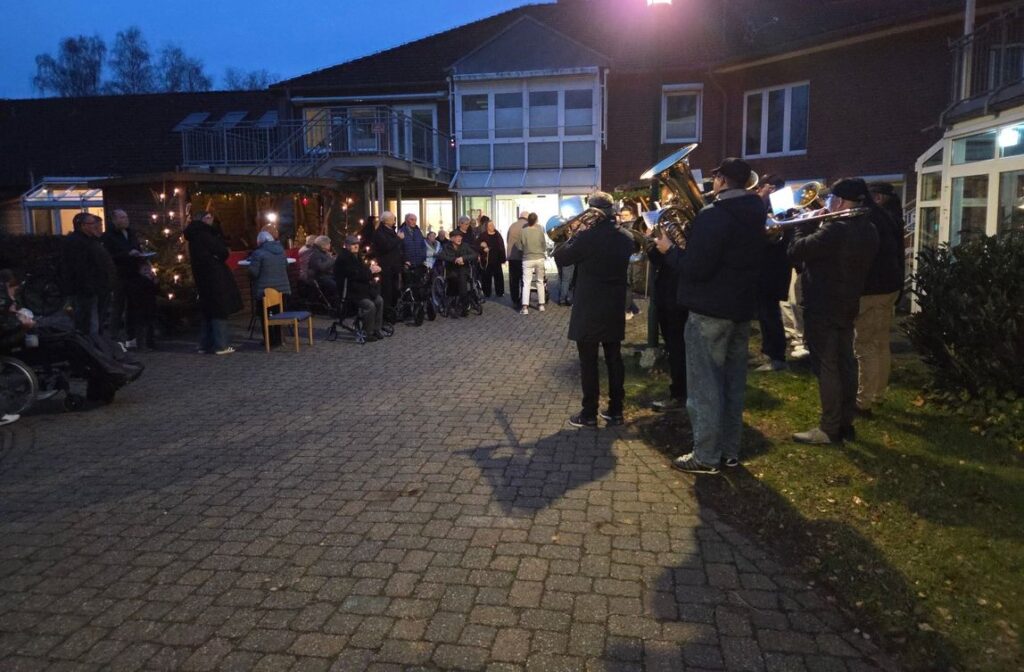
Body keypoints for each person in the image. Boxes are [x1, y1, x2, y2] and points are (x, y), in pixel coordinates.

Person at [656, 158, 767, 474]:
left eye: (715, 177)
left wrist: (669, 250)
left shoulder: (714, 215)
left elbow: (695, 268)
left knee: (705, 386)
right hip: (740, 309)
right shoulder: (756, 210)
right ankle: (729, 451)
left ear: (721, 180)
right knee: (732, 384)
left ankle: (705, 456)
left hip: (709, 310)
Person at [788, 178, 879, 445]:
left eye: (829, 199)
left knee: (826, 365)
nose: (826, 203)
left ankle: (829, 428)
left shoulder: (835, 229)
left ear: (839, 201)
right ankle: (845, 423)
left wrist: (803, 224)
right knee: (845, 363)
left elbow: (796, 251)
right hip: (847, 302)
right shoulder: (869, 228)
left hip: (823, 303)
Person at [554, 191, 634, 428]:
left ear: (593, 211)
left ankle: (589, 413)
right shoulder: (626, 237)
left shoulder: (587, 237)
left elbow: (561, 258)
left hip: (589, 306)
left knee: (588, 362)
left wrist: (573, 235)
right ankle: (616, 410)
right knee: (614, 359)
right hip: (614, 305)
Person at [854, 182, 906, 416]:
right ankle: (878, 393)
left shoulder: (871, 218)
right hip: (890, 286)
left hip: (873, 289)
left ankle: (863, 401)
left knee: (865, 344)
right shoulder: (892, 216)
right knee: (881, 342)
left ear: (878, 197)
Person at [185, 212, 243, 355]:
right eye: (209, 217)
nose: (211, 220)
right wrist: (219, 254)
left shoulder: (193, 235)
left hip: (202, 276)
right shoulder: (205, 234)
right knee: (218, 308)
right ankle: (221, 345)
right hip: (214, 276)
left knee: (208, 310)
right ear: (203, 219)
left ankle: (204, 344)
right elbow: (222, 251)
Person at [101, 209, 155, 350]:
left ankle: (132, 338)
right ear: (114, 220)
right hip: (119, 275)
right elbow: (109, 256)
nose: (126, 220)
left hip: (133, 274)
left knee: (133, 307)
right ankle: (113, 338)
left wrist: (141, 258)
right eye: (122, 217)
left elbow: (136, 247)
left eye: (126, 217)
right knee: (118, 306)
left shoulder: (130, 233)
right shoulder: (108, 236)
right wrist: (127, 254)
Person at [754, 175, 791, 372]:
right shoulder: (772, 207)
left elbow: (766, 231)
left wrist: (762, 199)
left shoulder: (781, 207)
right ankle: (769, 352)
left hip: (771, 269)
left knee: (770, 314)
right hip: (767, 268)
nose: (758, 190)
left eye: (762, 187)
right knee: (766, 313)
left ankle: (776, 357)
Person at [61, 212, 115, 336]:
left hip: (97, 287)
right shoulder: (77, 242)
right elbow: (79, 268)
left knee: (95, 321)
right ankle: (89, 343)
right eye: (91, 223)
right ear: (83, 226)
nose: (95, 226)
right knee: (88, 323)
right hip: (86, 290)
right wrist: (89, 286)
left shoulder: (91, 240)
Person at [335, 234, 385, 340]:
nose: (356, 246)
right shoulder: (344, 258)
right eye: (353, 244)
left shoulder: (357, 256)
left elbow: (362, 271)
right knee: (370, 306)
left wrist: (372, 269)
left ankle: (376, 329)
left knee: (379, 300)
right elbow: (354, 275)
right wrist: (370, 271)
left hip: (362, 289)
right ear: (347, 246)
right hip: (351, 292)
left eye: (357, 244)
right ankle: (367, 332)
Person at [438, 229, 478, 317]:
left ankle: (464, 306)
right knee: (453, 281)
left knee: (462, 281)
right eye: (457, 237)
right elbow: (441, 256)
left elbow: (474, 255)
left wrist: (463, 258)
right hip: (451, 270)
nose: (459, 238)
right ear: (451, 238)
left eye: (460, 237)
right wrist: (454, 260)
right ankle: (453, 304)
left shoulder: (465, 245)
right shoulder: (446, 246)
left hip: (463, 270)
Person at [372, 211, 403, 320]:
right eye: (393, 219)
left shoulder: (391, 230)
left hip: (394, 265)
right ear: (386, 220)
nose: (394, 220)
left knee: (395, 289)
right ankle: (386, 314)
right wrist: (398, 239)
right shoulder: (379, 232)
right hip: (386, 265)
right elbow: (386, 246)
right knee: (387, 290)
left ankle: (393, 312)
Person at [515, 212, 547, 314]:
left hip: (527, 258)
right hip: (539, 258)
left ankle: (525, 307)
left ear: (528, 220)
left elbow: (518, 245)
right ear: (536, 220)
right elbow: (544, 245)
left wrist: (524, 250)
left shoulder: (523, 231)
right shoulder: (540, 231)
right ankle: (541, 305)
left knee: (526, 283)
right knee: (540, 281)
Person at [618, 205, 642, 320]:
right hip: (626, 257)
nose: (624, 217)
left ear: (631, 215)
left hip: (630, 257)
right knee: (625, 284)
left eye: (626, 215)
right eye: (622, 215)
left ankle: (627, 311)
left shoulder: (631, 226)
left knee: (626, 285)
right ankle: (634, 309)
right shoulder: (622, 225)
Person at [478, 216, 506, 298]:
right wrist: (482, 247)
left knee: (498, 276)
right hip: (487, 260)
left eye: (493, 225)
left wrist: (503, 258)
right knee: (486, 277)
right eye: (490, 225)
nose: (492, 227)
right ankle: (487, 292)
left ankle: (500, 292)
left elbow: (501, 246)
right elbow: (477, 245)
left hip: (497, 259)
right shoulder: (483, 235)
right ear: (487, 227)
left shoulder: (497, 234)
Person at [506, 212, 527, 307]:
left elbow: (507, 240)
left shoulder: (512, 225)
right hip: (522, 257)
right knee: (524, 279)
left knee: (513, 280)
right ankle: (523, 299)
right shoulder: (526, 226)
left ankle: (514, 299)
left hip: (512, 256)